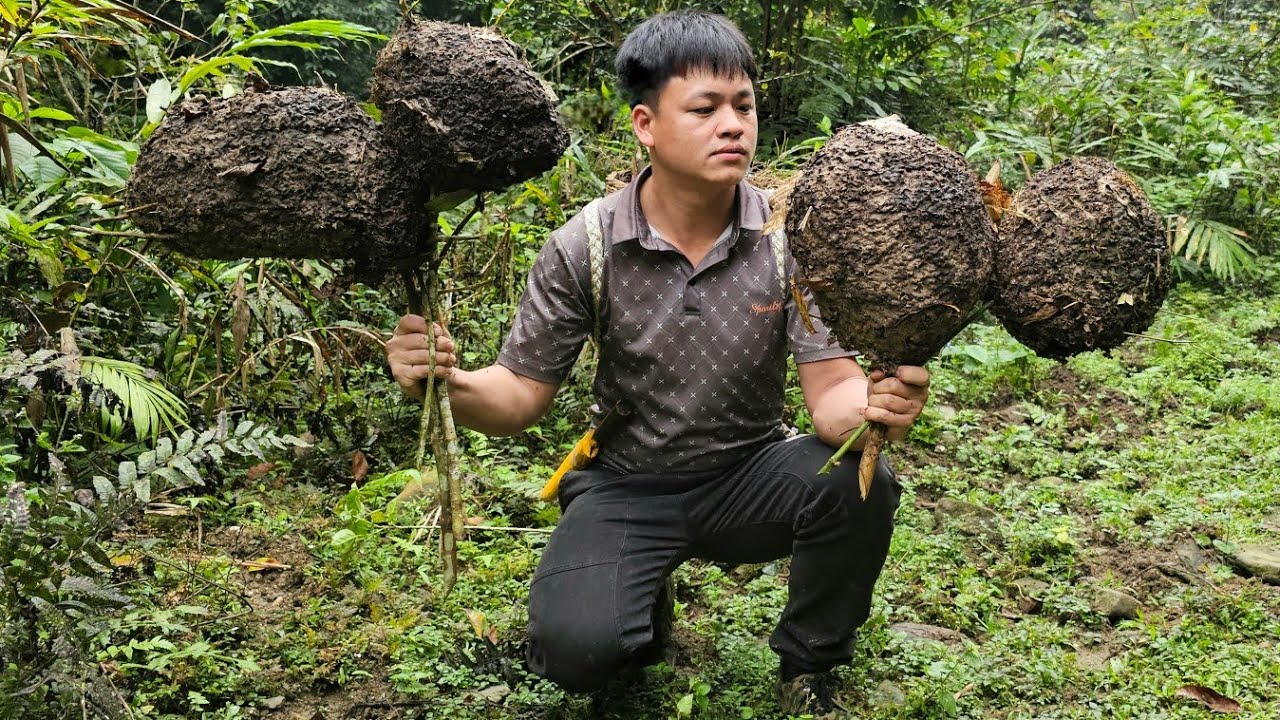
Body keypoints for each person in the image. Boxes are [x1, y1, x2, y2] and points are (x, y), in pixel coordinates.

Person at [385, 10, 930, 718]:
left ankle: (809, 662)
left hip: (749, 474)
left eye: (744, 106)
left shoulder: (790, 241)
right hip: (626, 485)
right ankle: (637, 602)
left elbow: (830, 391)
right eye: (704, 109)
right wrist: (446, 385)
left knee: (861, 484)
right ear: (646, 124)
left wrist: (874, 407)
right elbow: (518, 397)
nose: (732, 125)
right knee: (577, 652)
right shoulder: (583, 246)